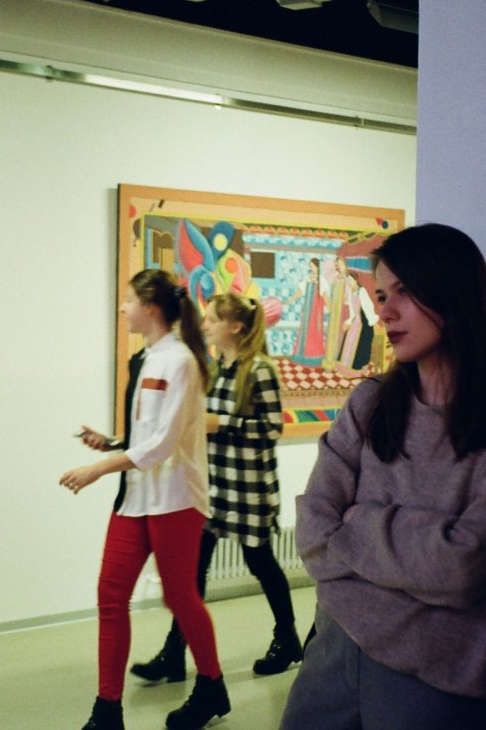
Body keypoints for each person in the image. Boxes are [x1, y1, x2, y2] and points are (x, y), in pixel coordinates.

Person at [280, 223, 486, 729]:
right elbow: (312, 529)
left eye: (404, 292)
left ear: (450, 289)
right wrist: (413, 553)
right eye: (380, 295)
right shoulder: (371, 402)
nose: (385, 311)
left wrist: (354, 526)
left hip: (441, 676)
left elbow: (463, 566)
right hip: (335, 649)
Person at [60, 269, 229, 730]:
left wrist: (97, 468)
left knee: (180, 597)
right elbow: (147, 435)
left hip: (175, 499)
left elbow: (160, 446)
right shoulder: (149, 358)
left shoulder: (180, 361)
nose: (123, 308)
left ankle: (212, 685)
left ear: (151, 307)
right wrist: (113, 441)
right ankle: (106, 711)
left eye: (129, 300)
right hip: (136, 498)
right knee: (110, 596)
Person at [130, 292, 302, 685]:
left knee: (261, 563)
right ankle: (176, 652)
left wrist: (222, 423)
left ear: (235, 326)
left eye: (212, 319)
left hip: (250, 489)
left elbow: (273, 429)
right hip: (214, 487)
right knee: (194, 571)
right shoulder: (217, 367)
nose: (204, 324)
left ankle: (287, 638)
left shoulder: (258, 369)